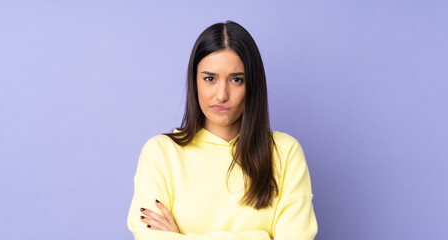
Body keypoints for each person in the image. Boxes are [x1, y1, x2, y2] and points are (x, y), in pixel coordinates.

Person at [127, 21, 317, 240]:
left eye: (236, 80)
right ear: (194, 81)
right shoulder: (161, 153)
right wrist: (261, 236)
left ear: (252, 85)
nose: (221, 95)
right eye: (210, 79)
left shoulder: (285, 152)